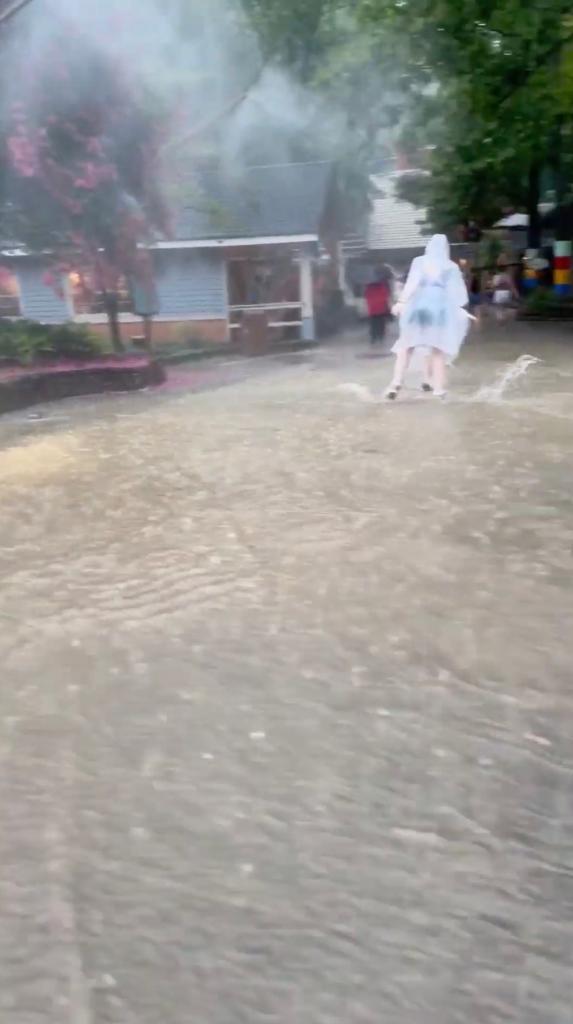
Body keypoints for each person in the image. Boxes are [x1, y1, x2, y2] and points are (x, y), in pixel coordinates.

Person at [385, 235, 469, 400]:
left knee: (406, 346)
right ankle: (438, 389)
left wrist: (401, 302)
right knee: (437, 349)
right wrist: (460, 308)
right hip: (439, 309)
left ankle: (395, 383)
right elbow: (457, 294)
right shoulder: (450, 266)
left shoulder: (419, 261)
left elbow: (412, 283)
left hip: (418, 307)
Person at [364, 271, 392, 345]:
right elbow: (385, 297)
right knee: (381, 324)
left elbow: (367, 297)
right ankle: (380, 337)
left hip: (372, 310)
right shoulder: (382, 287)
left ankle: (373, 338)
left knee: (373, 324)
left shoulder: (369, 288)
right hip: (381, 310)